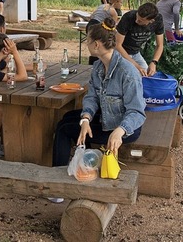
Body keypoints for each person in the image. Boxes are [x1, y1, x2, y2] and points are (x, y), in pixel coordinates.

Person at [50, 17, 145, 203]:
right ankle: (74, 166)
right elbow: (92, 97)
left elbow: (137, 111)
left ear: (97, 44)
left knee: (63, 129)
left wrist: (120, 130)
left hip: (123, 128)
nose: (86, 44)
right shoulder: (98, 66)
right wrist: (85, 118)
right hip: (106, 117)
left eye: (87, 41)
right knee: (67, 118)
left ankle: (58, 188)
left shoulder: (127, 72)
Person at [115, 2, 164, 77]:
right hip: (120, 52)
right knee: (129, 76)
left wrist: (154, 62)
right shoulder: (128, 17)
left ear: (151, 21)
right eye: (137, 17)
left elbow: (160, 45)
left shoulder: (158, 20)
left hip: (136, 53)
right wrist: (136, 66)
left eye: (140, 20)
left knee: (146, 75)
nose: (136, 21)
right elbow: (117, 45)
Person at [85, 0, 122, 65]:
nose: (121, 5)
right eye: (120, 2)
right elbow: (113, 26)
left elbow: (91, 16)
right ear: (116, 2)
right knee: (100, 47)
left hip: (90, 25)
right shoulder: (113, 11)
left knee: (93, 47)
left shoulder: (102, 6)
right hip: (98, 27)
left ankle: (92, 65)